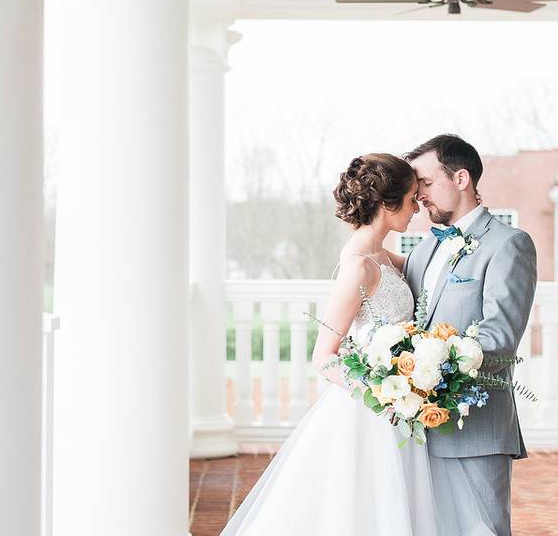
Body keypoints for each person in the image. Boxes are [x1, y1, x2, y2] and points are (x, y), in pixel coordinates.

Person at [220, 153, 440, 535]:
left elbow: (431, 271)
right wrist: (383, 392)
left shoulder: (380, 255)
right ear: (387, 205)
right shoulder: (358, 265)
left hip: (396, 405)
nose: (416, 211)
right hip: (371, 408)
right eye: (410, 202)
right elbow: (323, 356)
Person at [403, 134, 538, 536]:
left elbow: (499, 339)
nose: (419, 195)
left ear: (461, 178)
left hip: (475, 429)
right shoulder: (423, 248)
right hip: (414, 429)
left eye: (425, 183)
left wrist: (428, 374)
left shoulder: (509, 244)